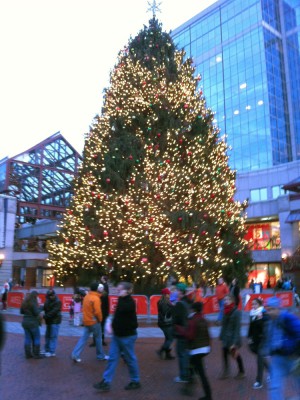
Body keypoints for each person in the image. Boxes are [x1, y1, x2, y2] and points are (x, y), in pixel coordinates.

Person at [93, 281, 141, 392]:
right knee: (112, 358)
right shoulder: (122, 300)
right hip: (118, 335)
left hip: (127, 336)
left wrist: (111, 324)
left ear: (128, 291)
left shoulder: (129, 302)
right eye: (118, 289)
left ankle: (135, 380)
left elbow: (122, 318)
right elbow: (118, 317)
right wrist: (111, 324)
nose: (118, 291)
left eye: (120, 289)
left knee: (130, 359)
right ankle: (106, 381)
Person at [261, 296, 300, 400]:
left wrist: (296, 352)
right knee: (275, 386)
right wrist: (266, 353)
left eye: (272, 309)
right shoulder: (270, 321)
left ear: (278, 308)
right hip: (278, 358)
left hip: (293, 358)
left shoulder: (287, 318)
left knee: (298, 382)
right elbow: (269, 338)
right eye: (268, 309)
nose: (269, 312)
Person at [176, 302, 212, 400]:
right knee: (191, 368)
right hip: (204, 348)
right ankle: (188, 388)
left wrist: (179, 329)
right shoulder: (203, 319)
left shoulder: (193, 320)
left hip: (196, 350)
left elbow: (190, 336)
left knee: (201, 374)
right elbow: (208, 336)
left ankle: (208, 396)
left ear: (193, 310)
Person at [71, 281, 108, 362]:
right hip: (94, 321)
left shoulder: (87, 296)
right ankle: (100, 355)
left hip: (86, 320)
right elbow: (98, 312)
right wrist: (100, 319)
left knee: (83, 338)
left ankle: (75, 353)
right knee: (98, 338)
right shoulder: (96, 298)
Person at [219, 293, 245, 380]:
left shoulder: (237, 312)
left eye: (228, 300)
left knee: (236, 355)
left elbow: (237, 328)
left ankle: (241, 372)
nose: (226, 301)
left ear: (232, 301)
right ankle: (226, 372)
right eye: (225, 300)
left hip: (233, 339)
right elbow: (224, 325)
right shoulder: (225, 310)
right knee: (224, 354)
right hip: (226, 338)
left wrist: (234, 343)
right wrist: (221, 336)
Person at [247, 297, 270, 389]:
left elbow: (265, 329)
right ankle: (272, 372)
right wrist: (249, 337)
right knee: (260, 358)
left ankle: (259, 381)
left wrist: (261, 319)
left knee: (259, 360)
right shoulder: (252, 314)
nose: (253, 306)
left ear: (260, 305)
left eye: (255, 304)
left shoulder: (264, 314)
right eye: (252, 304)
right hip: (255, 340)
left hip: (263, 340)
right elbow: (251, 327)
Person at [173, 282, 192, 383]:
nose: (176, 292)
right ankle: (188, 373)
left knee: (181, 354)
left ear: (180, 291)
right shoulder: (189, 301)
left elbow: (176, 319)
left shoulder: (180, 304)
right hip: (188, 331)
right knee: (186, 353)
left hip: (181, 332)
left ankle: (184, 376)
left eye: (177, 290)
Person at [20, 291, 43, 359]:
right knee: (36, 338)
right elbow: (36, 313)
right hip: (33, 323)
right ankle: (36, 354)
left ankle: (28, 354)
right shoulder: (33, 303)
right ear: (35, 296)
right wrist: (41, 307)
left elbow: (21, 312)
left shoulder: (25, 302)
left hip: (25, 322)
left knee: (27, 338)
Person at [156, 287, 175, 360]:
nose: (169, 295)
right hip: (166, 323)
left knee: (168, 338)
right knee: (170, 338)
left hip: (163, 322)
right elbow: (166, 312)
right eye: (168, 294)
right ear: (165, 294)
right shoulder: (164, 302)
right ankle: (161, 351)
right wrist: (173, 308)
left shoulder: (162, 301)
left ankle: (167, 354)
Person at [42, 289, 62, 357]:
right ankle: (47, 349)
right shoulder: (48, 300)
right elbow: (44, 307)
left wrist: (45, 316)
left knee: (53, 336)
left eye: (49, 297)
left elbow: (54, 311)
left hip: (55, 321)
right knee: (47, 335)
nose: (48, 298)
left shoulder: (58, 301)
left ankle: (52, 351)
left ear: (53, 295)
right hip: (49, 321)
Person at [99, 277, 110, 346]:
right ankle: (100, 340)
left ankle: (101, 340)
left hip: (103, 311)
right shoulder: (104, 287)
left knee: (101, 326)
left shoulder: (105, 286)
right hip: (103, 311)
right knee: (101, 326)